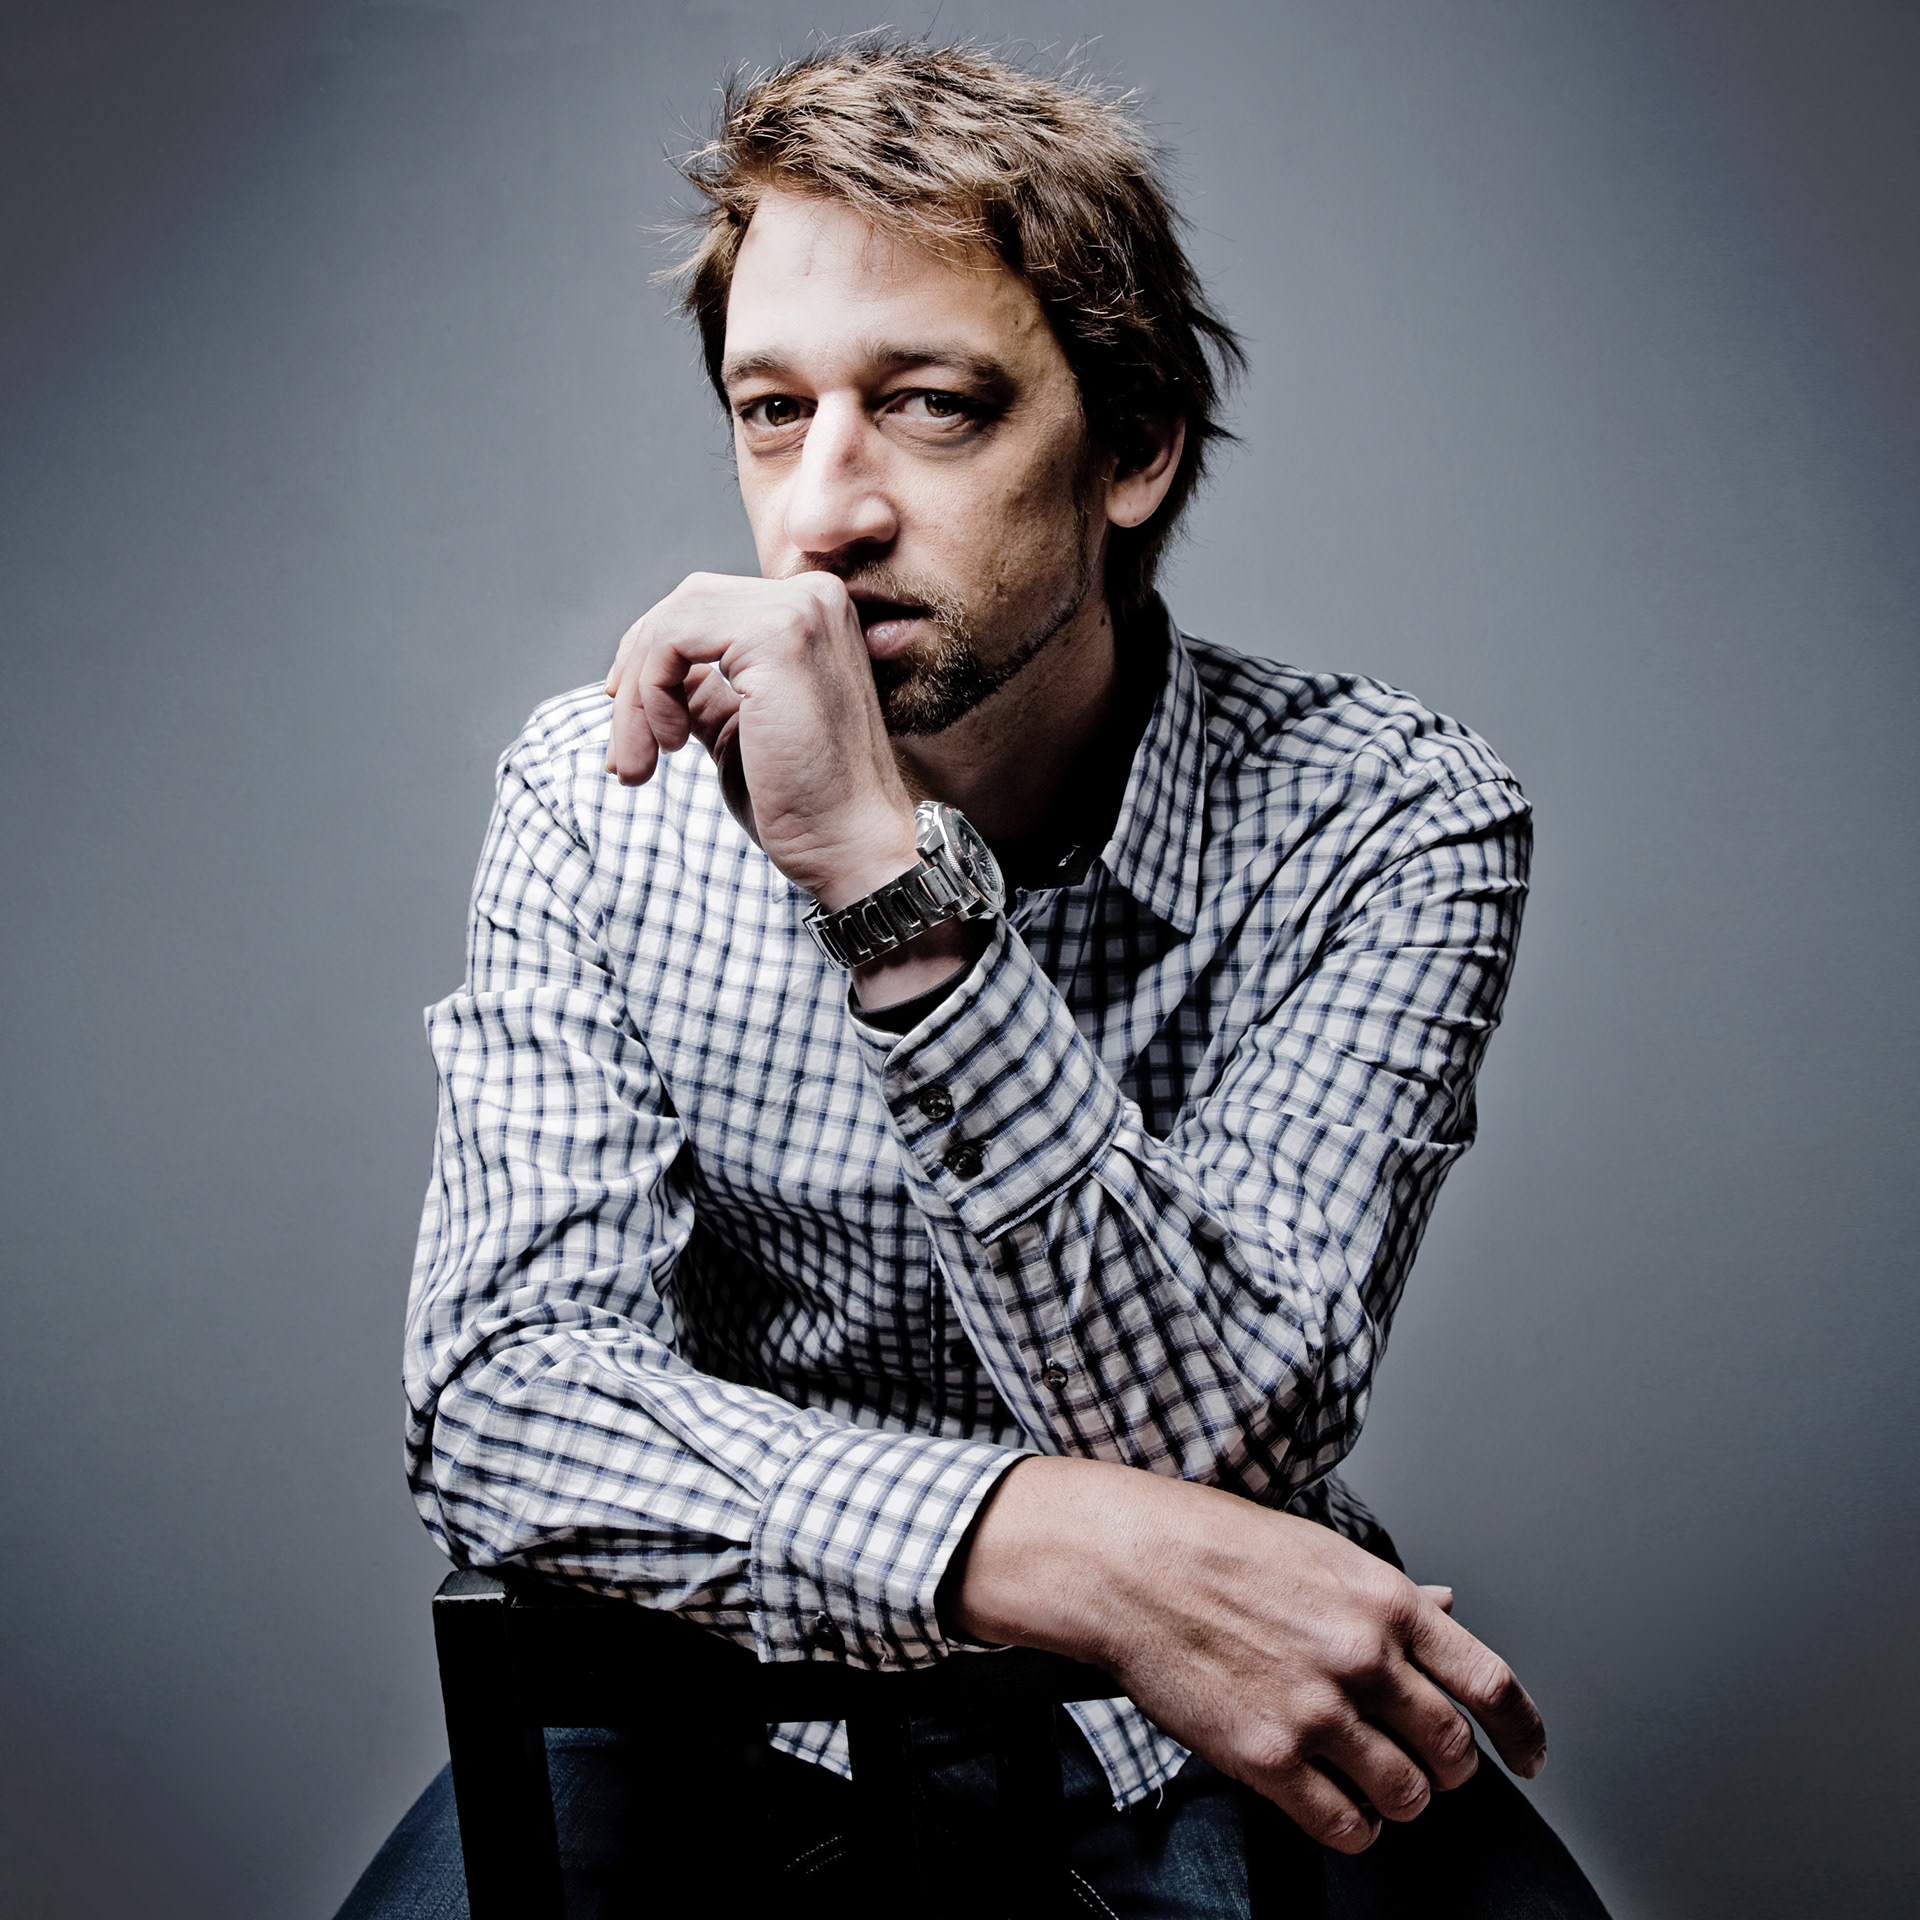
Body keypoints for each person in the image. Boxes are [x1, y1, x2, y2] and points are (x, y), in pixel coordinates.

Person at [343, 36, 1608, 1920]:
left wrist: (889, 892)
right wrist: (1055, 1540)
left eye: (928, 406)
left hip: (1191, 1714)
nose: (824, 512)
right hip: (705, 1716)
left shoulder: (1390, 817)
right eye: (773, 413)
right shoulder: (593, 796)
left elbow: (1229, 1432)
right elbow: (506, 1400)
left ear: (1131, 446)